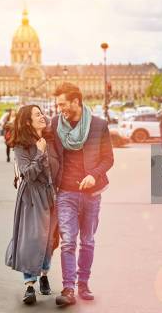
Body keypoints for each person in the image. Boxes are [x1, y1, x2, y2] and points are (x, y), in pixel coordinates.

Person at [51, 82, 114, 306]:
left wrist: (94, 175)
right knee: (68, 241)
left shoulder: (98, 125)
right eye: (58, 105)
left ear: (76, 101)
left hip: (91, 193)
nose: (60, 109)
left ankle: (83, 283)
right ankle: (68, 288)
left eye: (63, 104)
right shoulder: (55, 124)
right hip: (65, 192)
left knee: (87, 241)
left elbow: (109, 159)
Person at [5, 105, 59, 305]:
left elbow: (57, 168)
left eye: (41, 113)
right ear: (28, 121)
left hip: (50, 195)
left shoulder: (51, 140)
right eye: (37, 115)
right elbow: (28, 174)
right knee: (32, 238)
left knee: (49, 241)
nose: (42, 116)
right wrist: (39, 152)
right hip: (31, 198)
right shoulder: (21, 146)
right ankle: (29, 284)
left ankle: (44, 274)